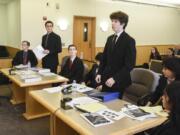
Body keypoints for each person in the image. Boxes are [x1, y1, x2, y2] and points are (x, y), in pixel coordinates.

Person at [95, 11, 136, 98]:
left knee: (114, 106)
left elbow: (129, 65)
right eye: (112, 21)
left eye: (115, 21)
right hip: (106, 78)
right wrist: (99, 73)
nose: (112, 23)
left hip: (119, 80)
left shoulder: (129, 40)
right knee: (104, 104)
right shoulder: (110, 38)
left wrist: (115, 78)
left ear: (123, 24)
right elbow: (104, 58)